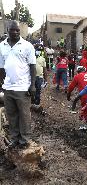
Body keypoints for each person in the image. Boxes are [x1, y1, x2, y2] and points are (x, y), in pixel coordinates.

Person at [0, 20, 36, 148]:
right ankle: (15, 139)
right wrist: (2, 83)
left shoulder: (27, 46)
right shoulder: (2, 46)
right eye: (12, 30)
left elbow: (32, 66)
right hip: (8, 87)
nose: (15, 32)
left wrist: (32, 85)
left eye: (17, 30)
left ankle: (24, 140)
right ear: (7, 30)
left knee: (24, 115)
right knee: (12, 115)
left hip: (23, 87)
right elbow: (2, 67)